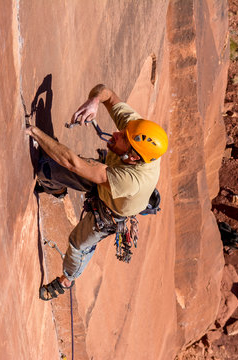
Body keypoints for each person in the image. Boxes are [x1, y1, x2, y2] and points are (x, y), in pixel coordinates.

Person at [25, 84, 168, 300]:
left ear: (135, 157)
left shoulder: (132, 180)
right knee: (47, 170)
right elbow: (106, 92)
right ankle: (56, 189)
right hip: (107, 179)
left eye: (123, 139)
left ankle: (66, 281)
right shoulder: (137, 132)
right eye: (123, 131)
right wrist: (94, 101)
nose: (117, 133)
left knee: (78, 245)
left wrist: (34, 132)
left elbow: (72, 163)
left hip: (110, 209)